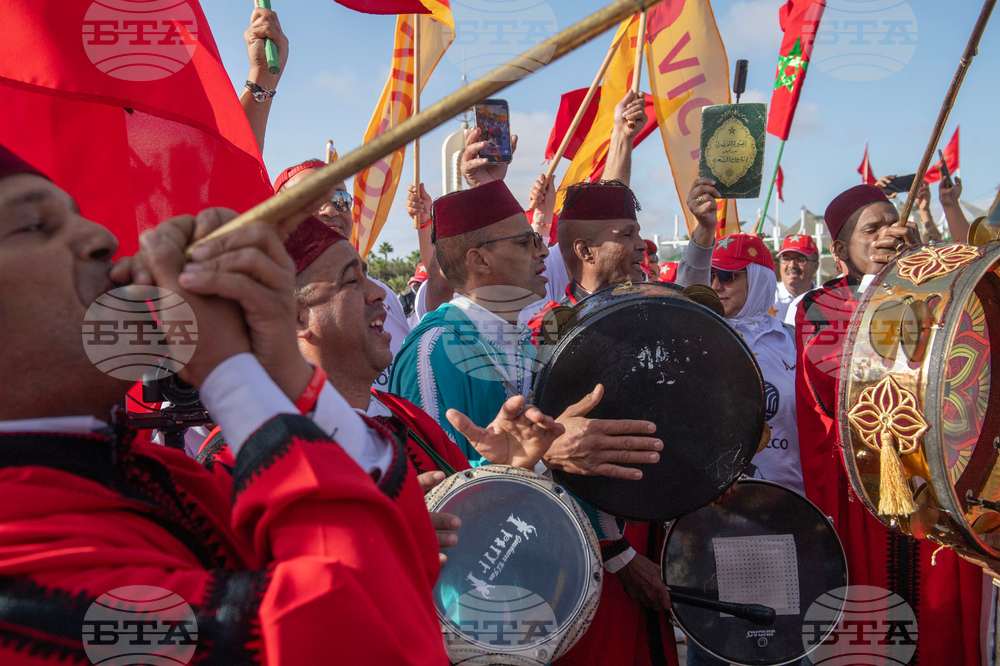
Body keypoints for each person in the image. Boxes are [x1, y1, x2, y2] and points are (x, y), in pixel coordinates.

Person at [0, 144, 449, 663]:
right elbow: (355, 631)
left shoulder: (155, 475)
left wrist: (280, 367)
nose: (99, 237)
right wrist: (229, 371)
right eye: (34, 226)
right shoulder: (20, 589)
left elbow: (402, 557)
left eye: (76, 216)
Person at [795, 184, 984, 665]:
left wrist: (919, 274)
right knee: (874, 630)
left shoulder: (941, 293)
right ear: (839, 250)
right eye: (871, 228)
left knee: (944, 630)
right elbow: (837, 385)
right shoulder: (821, 306)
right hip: (870, 486)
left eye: (894, 223)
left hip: (939, 479)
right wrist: (878, 293)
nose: (887, 235)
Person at [272, 159, 410, 390]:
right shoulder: (260, 304)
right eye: (312, 199)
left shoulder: (382, 294)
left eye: (341, 199)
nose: (331, 209)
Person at [773, 234, 819, 326]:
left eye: (801, 259)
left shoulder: (826, 302)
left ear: (815, 266)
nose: (792, 265)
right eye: (786, 259)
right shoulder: (767, 299)